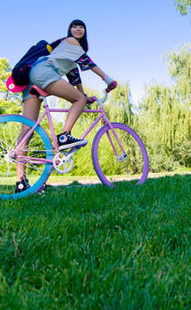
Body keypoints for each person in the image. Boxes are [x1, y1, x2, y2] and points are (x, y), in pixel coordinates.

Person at [16, 19, 116, 192]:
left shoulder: (67, 53)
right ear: (70, 30)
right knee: (78, 101)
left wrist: (84, 97)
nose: (78, 29)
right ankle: (64, 136)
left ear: (85, 31)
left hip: (31, 78)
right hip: (44, 72)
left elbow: (75, 78)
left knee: (27, 131)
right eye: (74, 26)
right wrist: (107, 79)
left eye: (81, 27)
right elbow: (87, 61)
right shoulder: (70, 42)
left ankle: (20, 183)